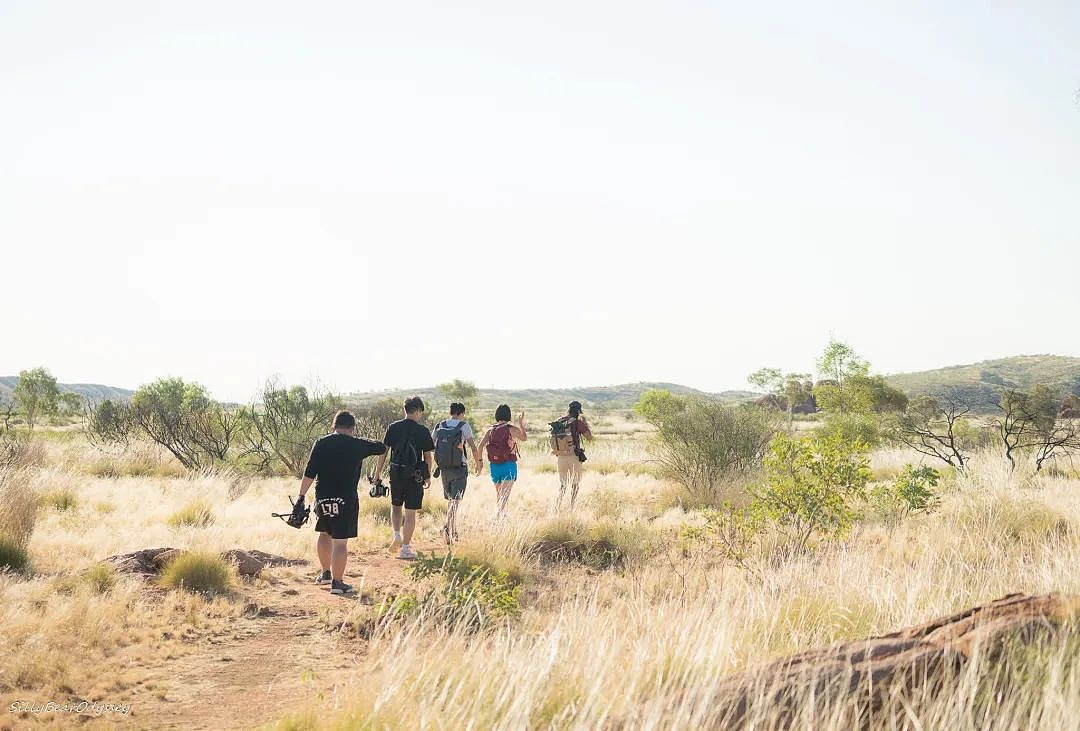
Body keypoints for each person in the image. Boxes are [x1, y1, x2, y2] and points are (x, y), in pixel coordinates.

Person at [296, 410, 386, 596]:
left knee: (324, 534)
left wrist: (301, 497)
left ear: (334, 425)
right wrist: (360, 440)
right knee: (340, 544)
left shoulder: (321, 443)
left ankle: (325, 574)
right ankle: (337, 583)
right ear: (352, 428)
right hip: (345, 499)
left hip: (323, 498)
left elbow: (309, 472)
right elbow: (381, 447)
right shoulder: (357, 444)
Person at [372, 396, 434, 560]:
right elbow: (428, 457)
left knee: (396, 506)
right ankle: (405, 548)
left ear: (404, 410)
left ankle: (397, 534)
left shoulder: (393, 427)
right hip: (415, 475)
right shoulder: (423, 431)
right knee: (411, 512)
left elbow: (383, 453)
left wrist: (377, 474)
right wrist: (427, 476)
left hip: (396, 472)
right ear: (418, 411)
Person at [432, 402, 481, 545]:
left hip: (444, 468)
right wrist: (478, 462)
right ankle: (448, 529)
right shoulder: (463, 426)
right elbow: (472, 446)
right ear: (462, 413)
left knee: (450, 500)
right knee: (455, 501)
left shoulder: (439, 425)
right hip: (459, 468)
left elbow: (431, 444)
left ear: (450, 412)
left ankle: (453, 530)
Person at [476, 404, 527, 521]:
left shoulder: (490, 431)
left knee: (499, 495)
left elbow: (480, 447)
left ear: (497, 415)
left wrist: (480, 462)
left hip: (494, 466)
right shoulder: (512, 429)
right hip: (508, 465)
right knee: (504, 497)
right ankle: (500, 519)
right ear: (508, 415)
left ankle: (500, 517)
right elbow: (524, 438)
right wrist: (520, 423)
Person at [551, 400, 593, 511]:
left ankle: (557, 506)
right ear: (578, 411)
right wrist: (585, 423)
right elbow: (589, 437)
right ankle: (572, 507)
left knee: (563, 485)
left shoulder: (559, 421)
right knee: (575, 484)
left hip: (560, 456)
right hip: (574, 456)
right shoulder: (578, 422)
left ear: (569, 409)